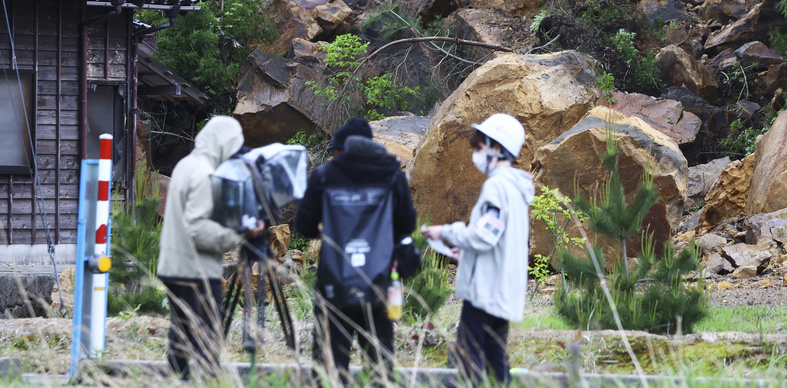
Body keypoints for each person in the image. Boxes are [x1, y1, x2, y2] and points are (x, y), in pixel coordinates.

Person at [294, 118, 417, 382]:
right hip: (379, 283)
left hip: (333, 285)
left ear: (340, 149)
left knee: (329, 367)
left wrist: (328, 234)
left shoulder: (324, 176)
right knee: (379, 367)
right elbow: (407, 223)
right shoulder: (392, 175)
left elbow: (303, 225)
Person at [421, 113, 535, 386]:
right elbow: (499, 239)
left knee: (468, 355)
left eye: (480, 146)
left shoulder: (497, 186)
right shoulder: (517, 188)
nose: (476, 153)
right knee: (496, 358)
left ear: (496, 148)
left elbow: (485, 236)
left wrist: (445, 232)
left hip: (486, 290)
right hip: (504, 289)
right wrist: (467, 252)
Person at [157, 115, 264, 380]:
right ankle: (207, 382)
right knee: (207, 340)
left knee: (180, 337)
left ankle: (178, 381)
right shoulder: (205, 174)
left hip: (173, 266)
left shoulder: (186, 164)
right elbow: (199, 230)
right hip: (196, 271)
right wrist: (238, 233)